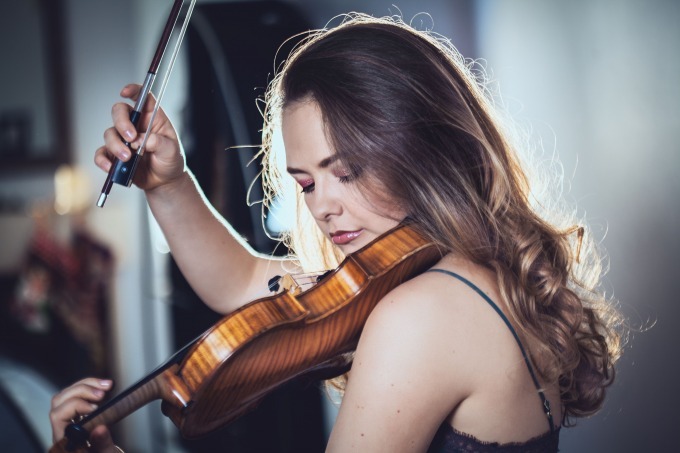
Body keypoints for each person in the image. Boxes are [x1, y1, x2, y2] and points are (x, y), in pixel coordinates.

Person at [49, 13, 623, 452]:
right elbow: (245, 280)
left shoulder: (423, 314)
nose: (323, 207)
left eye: (344, 173)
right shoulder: (460, 268)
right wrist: (167, 184)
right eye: (305, 184)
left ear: (420, 149)